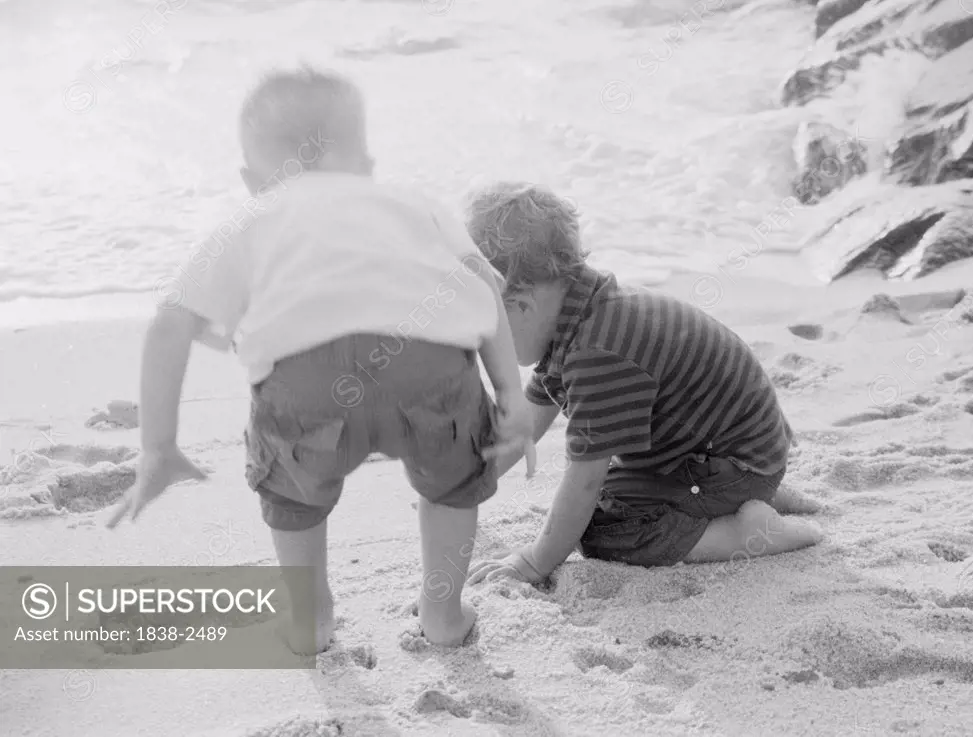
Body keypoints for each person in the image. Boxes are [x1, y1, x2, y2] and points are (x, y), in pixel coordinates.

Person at [106, 68, 536, 652]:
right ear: (366, 161)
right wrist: (510, 397)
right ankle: (442, 612)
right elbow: (483, 285)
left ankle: (311, 623)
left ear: (250, 177)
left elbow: (170, 323)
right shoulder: (412, 204)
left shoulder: (251, 218)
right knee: (452, 488)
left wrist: (158, 447)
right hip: (429, 369)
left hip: (306, 385)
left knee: (293, 500)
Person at [463, 182, 822, 586]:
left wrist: (534, 561)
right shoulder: (585, 311)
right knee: (610, 492)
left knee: (604, 529)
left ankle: (741, 531)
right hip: (744, 445)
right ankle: (756, 491)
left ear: (522, 305)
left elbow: (583, 483)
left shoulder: (597, 354)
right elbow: (528, 423)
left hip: (731, 460)